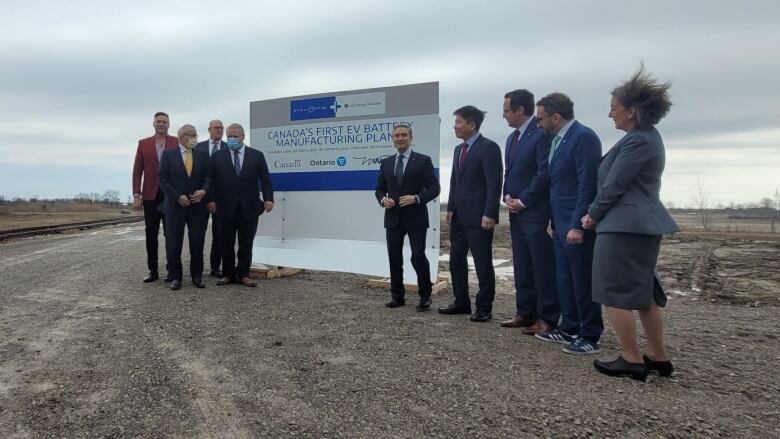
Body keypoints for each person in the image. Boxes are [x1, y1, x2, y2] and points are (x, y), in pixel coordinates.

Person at [583, 66, 679, 380]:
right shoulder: (647, 138)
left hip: (624, 225)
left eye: (614, 108)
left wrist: (592, 214)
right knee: (644, 292)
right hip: (640, 224)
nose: (610, 114)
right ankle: (657, 356)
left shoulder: (638, 142)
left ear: (632, 111)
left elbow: (614, 185)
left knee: (611, 291)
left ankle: (631, 357)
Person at [534, 93, 604, 355]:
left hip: (576, 225)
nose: (538, 124)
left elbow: (587, 184)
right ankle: (569, 326)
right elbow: (557, 185)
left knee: (581, 279)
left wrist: (577, 225)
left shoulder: (583, 137)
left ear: (556, 116)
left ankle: (589, 333)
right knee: (565, 278)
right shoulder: (557, 141)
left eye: (541, 119)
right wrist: (553, 220)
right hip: (560, 222)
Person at [499, 90, 560, 335]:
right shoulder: (511, 138)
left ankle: (548, 317)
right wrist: (506, 196)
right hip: (515, 213)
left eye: (506, 111)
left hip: (535, 212)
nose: (503, 115)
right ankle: (524, 312)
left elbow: (543, 173)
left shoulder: (541, 135)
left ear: (520, 110)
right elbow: (510, 173)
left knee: (541, 266)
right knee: (522, 263)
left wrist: (524, 201)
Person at [438, 106, 503, 322]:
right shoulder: (458, 150)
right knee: (456, 261)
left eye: (458, 122)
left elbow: (494, 184)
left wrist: (490, 213)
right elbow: (455, 182)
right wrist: (450, 208)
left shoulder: (489, 148)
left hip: (479, 218)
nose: (454, 126)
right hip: (458, 217)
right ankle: (461, 302)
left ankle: (484, 307)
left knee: (482, 262)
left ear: (471, 125)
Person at [375, 123, 441, 311]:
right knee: (394, 258)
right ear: (392, 139)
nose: (400, 138)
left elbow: (435, 188)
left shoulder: (423, 160)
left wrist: (417, 198)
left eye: (404, 135)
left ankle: (425, 296)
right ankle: (397, 297)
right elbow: (379, 189)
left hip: (416, 218)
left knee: (418, 256)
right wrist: (382, 200)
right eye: (397, 135)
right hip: (393, 218)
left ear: (411, 138)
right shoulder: (386, 162)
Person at [208, 123, 273, 287]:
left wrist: (268, 198)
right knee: (226, 242)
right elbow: (211, 180)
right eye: (229, 136)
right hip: (225, 207)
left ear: (243, 137)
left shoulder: (256, 156)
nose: (231, 139)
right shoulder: (217, 156)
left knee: (246, 242)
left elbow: (265, 180)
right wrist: (211, 200)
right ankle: (228, 274)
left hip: (249, 207)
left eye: (235, 136)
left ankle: (244, 273)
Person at [158, 124, 211, 290]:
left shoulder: (202, 155)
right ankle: (176, 276)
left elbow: (208, 177)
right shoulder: (168, 155)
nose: (195, 138)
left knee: (197, 241)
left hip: (197, 207)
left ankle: (197, 276)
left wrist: (204, 190)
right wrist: (177, 196)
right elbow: (162, 179)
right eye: (191, 135)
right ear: (181, 137)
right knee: (174, 243)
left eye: (196, 134)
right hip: (175, 207)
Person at [132, 112, 178, 283]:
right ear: (153, 123)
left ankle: (171, 269)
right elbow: (137, 171)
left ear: (169, 124)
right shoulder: (143, 144)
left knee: (171, 234)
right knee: (151, 234)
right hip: (150, 195)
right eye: (158, 121)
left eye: (164, 122)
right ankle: (153, 269)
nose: (161, 124)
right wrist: (137, 195)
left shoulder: (176, 142)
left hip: (170, 196)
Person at [196, 119, 227, 278]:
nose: (219, 130)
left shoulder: (228, 148)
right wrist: (208, 198)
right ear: (209, 129)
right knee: (198, 235)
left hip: (221, 199)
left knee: (219, 235)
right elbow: (196, 175)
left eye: (222, 128)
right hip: (201, 199)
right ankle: (197, 269)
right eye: (216, 127)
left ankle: (215, 267)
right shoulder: (198, 147)